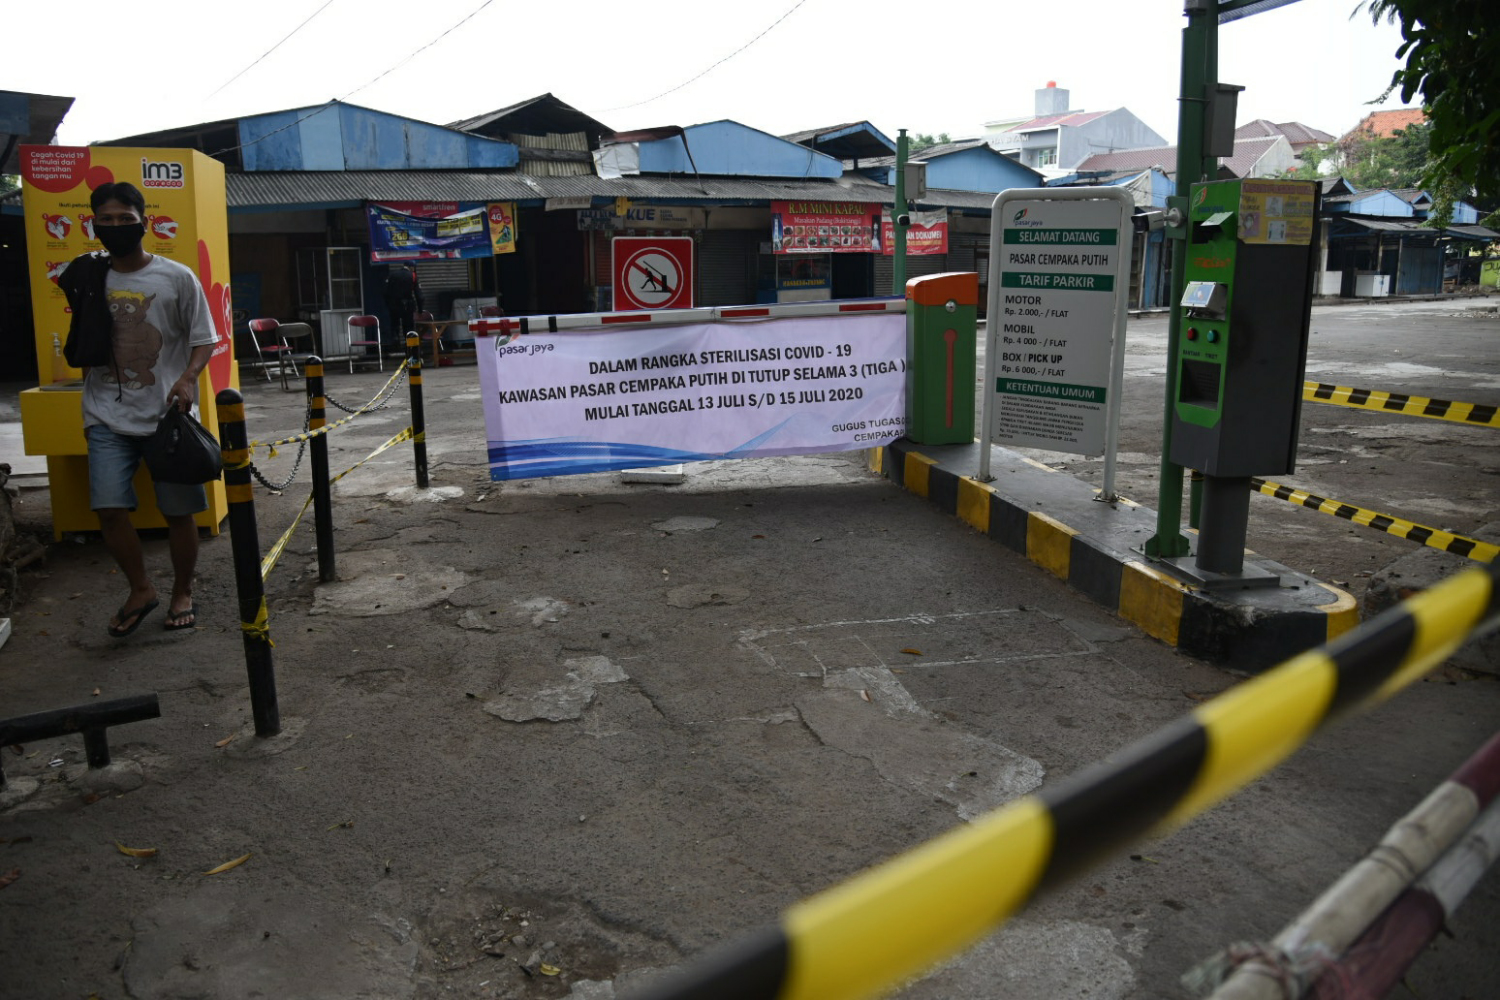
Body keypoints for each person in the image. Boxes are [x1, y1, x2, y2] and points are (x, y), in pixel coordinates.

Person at [65, 181, 219, 637]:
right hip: (105, 414)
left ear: (143, 222)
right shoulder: (87, 275)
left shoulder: (175, 277)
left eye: (125, 220)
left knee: (178, 512)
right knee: (109, 509)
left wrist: (188, 378)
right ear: (93, 224)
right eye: (106, 220)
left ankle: (182, 592)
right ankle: (141, 589)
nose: (115, 227)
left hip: (166, 415)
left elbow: (203, 337)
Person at [384, 261, 422, 340]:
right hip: (408, 306)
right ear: (411, 267)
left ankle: (395, 346)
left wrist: (388, 305)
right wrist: (420, 309)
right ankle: (410, 348)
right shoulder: (413, 276)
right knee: (409, 328)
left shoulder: (392, 274)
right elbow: (419, 295)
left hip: (394, 306)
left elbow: (385, 292)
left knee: (394, 327)